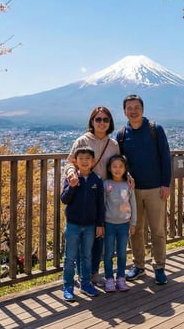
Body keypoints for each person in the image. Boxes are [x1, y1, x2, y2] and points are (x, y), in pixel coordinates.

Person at [117, 94, 171, 285]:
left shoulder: (155, 129)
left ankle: (160, 266)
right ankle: (139, 265)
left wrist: (166, 184)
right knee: (136, 230)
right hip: (133, 191)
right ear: (124, 111)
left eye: (136, 107)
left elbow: (166, 158)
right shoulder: (122, 134)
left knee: (157, 230)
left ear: (143, 109)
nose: (133, 111)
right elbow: (118, 163)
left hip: (156, 189)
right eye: (129, 108)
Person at [64, 106, 119, 288]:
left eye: (105, 119)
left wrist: (129, 178)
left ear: (110, 123)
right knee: (83, 237)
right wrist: (72, 174)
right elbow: (70, 162)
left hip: (105, 196)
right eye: (98, 119)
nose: (102, 123)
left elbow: (119, 166)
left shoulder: (113, 145)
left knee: (98, 235)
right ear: (92, 121)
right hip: (84, 194)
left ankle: (94, 272)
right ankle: (82, 275)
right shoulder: (82, 140)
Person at [60, 146, 105, 301]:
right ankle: (68, 286)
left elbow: (101, 204)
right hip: (73, 224)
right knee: (70, 257)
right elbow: (64, 199)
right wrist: (72, 186)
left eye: (88, 159)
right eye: (81, 158)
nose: (84, 161)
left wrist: (100, 224)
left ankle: (85, 283)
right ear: (75, 161)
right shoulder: (71, 178)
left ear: (93, 161)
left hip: (90, 225)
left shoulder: (97, 180)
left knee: (87, 256)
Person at [103, 154, 137, 292]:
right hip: (109, 223)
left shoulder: (128, 184)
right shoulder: (106, 184)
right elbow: (102, 204)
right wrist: (100, 223)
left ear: (125, 169)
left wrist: (133, 222)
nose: (117, 169)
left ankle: (121, 278)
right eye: (114, 167)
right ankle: (109, 278)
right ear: (109, 168)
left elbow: (133, 204)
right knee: (109, 252)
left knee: (122, 252)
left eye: (120, 166)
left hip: (124, 224)